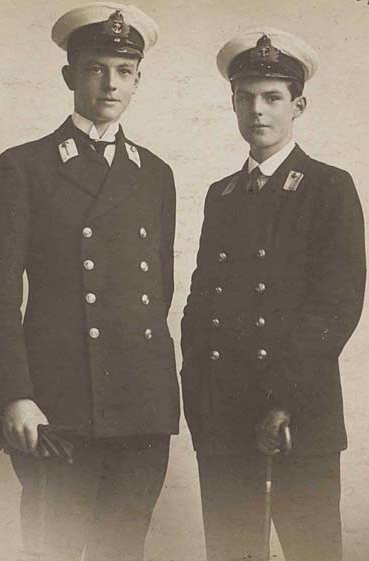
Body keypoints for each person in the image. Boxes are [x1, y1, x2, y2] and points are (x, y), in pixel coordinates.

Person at [0, 3, 180, 560]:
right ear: (70, 75)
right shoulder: (25, 167)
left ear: (138, 79)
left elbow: (158, 292)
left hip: (140, 408)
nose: (109, 83)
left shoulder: (156, 174)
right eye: (95, 68)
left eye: (123, 70)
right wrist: (14, 395)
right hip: (57, 405)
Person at [181, 27, 365, 561]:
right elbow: (201, 302)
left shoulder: (329, 187)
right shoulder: (222, 194)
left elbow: (337, 304)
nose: (257, 110)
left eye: (273, 97)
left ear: (298, 104)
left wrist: (284, 400)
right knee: (231, 552)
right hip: (224, 417)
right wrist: (198, 391)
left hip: (296, 418)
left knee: (312, 552)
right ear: (233, 102)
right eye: (245, 98)